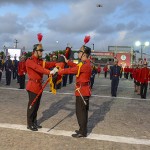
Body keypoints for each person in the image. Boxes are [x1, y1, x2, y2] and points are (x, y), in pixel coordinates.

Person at [58, 45, 92, 138]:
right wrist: (67, 61)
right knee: (81, 112)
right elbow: (76, 66)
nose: (79, 54)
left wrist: (60, 71)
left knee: (81, 112)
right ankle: (82, 129)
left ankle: (82, 131)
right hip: (82, 90)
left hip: (82, 91)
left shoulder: (86, 65)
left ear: (84, 54)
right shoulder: (85, 63)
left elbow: (73, 70)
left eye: (80, 53)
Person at [26, 43, 58, 131]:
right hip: (33, 86)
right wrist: (50, 72)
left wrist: (58, 63)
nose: (41, 52)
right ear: (35, 51)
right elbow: (38, 68)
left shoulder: (40, 61)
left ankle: (34, 121)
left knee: (36, 106)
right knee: (32, 106)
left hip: (39, 86)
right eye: (40, 51)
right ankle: (29, 123)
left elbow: (48, 64)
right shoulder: (30, 60)